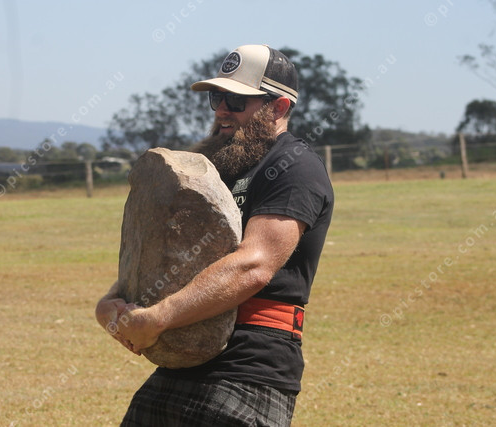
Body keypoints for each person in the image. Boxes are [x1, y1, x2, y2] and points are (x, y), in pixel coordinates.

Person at [95, 44, 334, 426]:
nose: (222, 109)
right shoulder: (219, 169)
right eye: (217, 97)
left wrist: (158, 318)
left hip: (248, 369)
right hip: (183, 355)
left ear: (278, 107)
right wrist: (116, 302)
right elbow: (174, 254)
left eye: (237, 100)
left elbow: (252, 266)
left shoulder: (295, 168)